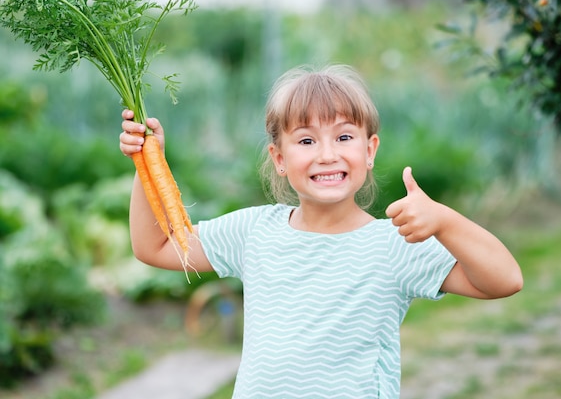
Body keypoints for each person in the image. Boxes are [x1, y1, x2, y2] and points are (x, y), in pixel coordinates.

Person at [119, 64, 523, 399]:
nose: (327, 154)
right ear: (279, 158)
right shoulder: (253, 231)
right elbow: (154, 247)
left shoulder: (394, 244)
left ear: (369, 150)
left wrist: (445, 221)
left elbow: (504, 280)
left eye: (344, 137)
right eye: (307, 140)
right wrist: (147, 163)